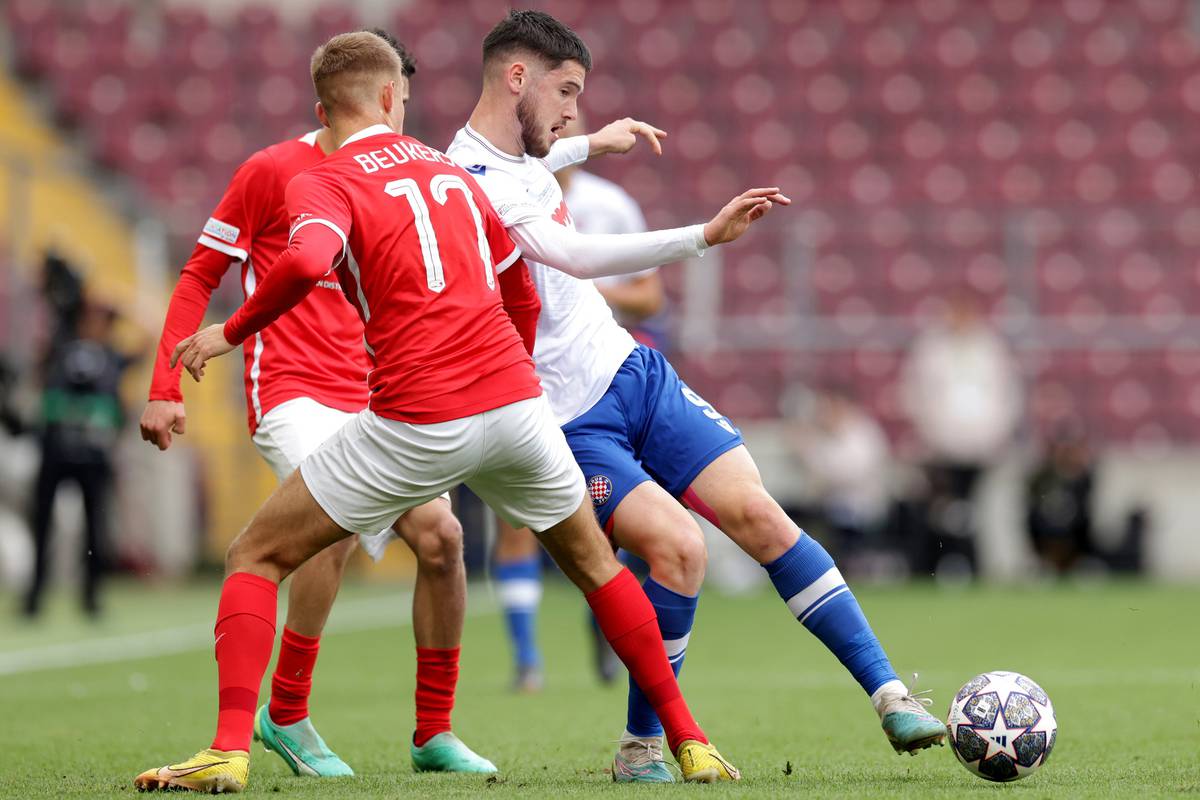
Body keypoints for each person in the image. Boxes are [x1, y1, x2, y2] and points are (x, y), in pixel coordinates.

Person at [134, 31, 745, 793]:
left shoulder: (328, 178)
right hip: (513, 406)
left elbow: (306, 260)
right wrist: (517, 370)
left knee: (257, 554)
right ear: (392, 98)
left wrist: (227, 332)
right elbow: (518, 278)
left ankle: (230, 749)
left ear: (327, 107)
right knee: (595, 567)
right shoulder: (448, 170)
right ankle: (689, 742)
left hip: (415, 415)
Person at [447, 10, 944, 783]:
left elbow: (535, 165)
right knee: (678, 549)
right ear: (518, 78)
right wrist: (701, 237)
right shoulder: (469, 181)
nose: (573, 110)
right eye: (566, 92)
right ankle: (644, 742)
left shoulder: (520, 155)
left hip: (635, 372)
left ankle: (889, 695)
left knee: (758, 515)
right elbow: (571, 253)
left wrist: (591, 142)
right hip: (570, 423)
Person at [138, 31, 495, 778]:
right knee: (326, 522)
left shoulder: (410, 175)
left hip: (379, 396)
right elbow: (202, 273)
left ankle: (433, 732)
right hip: (293, 389)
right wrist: (165, 388)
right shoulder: (273, 170)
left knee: (444, 541)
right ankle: (287, 715)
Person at [25, 278, 138, 618]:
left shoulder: (111, 355)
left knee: (95, 528)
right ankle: (34, 597)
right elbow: (40, 351)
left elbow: (150, 336)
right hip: (56, 450)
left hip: (93, 455)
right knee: (41, 525)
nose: (95, 322)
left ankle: (91, 596)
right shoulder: (62, 347)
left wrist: (121, 306)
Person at [900, 292, 1021, 578]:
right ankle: (943, 562)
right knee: (947, 509)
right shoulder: (932, 349)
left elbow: (1007, 395)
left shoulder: (990, 349)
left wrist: (995, 433)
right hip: (942, 446)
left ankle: (972, 564)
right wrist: (932, 433)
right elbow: (917, 394)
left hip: (982, 445)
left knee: (971, 509)